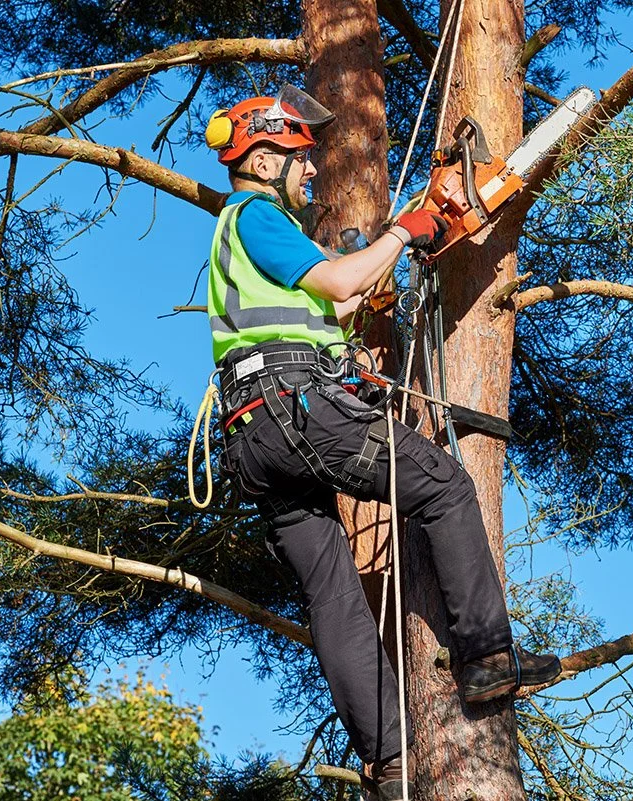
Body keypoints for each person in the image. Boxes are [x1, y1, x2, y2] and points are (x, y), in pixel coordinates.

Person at [203, 86, 561, 800]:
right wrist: (404, 230)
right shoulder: (257, 216)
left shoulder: (251, 238)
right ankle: (486, 655)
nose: (310, 173)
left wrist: (376, 274)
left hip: (254, 437)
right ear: (265, 158)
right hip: (294, 409)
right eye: (301, 160)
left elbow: (335, 299)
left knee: (333, 591)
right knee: (445, 486)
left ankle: (391, 762)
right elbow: (340, 279)